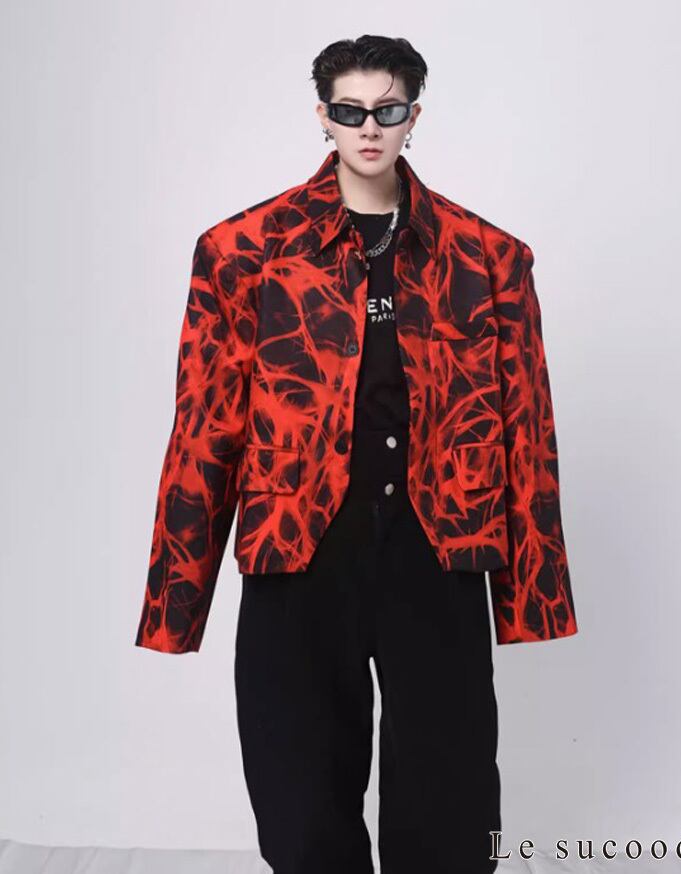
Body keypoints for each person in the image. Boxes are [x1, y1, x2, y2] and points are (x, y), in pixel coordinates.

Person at [135, 33, 578, 874]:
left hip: (437, 549)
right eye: (350, 110)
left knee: (450, 797)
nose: (368, 127)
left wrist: (534, 595)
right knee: (299, 793)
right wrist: (175, 600)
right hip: (297, 551)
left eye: (387, 109)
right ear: (324, 117)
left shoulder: (488, 258)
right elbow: (205, 429)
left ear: (414, 116)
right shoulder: (245, 252)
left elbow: (527, 432)